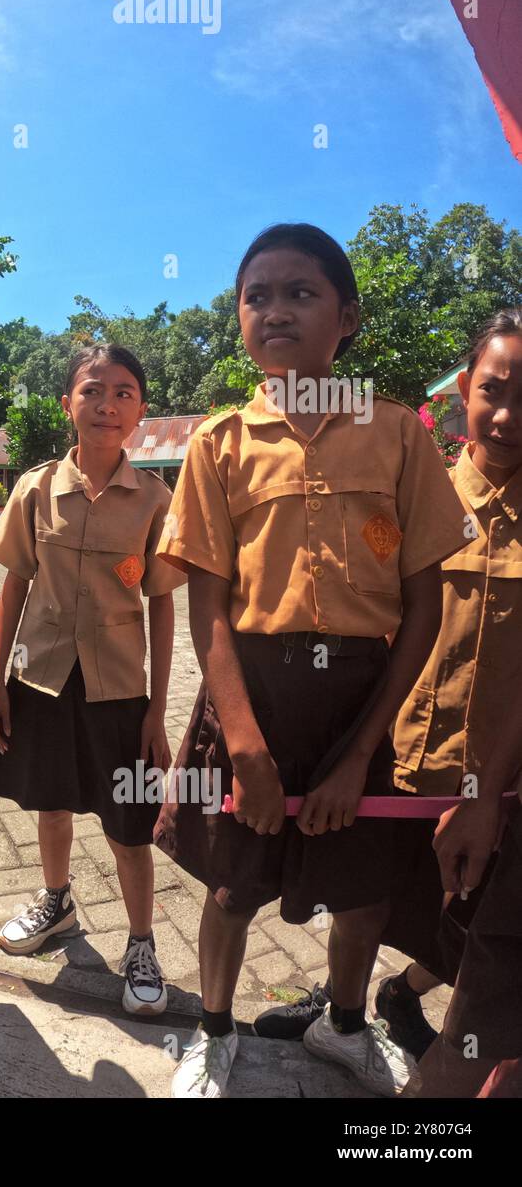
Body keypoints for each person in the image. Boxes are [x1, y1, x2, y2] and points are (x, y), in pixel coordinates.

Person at [154, 223, 466, 1098]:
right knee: (233, 884)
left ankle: (343, 1022)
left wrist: (363, 750)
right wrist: (244, 745)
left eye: (300, 292)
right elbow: (206, 602)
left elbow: (427, 600)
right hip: (251, 692)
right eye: (257, 295)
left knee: (363, 888)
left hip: (365, 703)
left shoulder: (400, 433)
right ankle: (213, 1030)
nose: (275, 310)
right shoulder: (218, 443)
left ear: (348, 318)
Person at [0, 344, 184, 1016]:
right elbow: (14, 583)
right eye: (92, 390)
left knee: (128, 825)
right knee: (52, 802)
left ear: (141, 412)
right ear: (68, 402)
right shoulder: (36, 488)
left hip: (119, 691)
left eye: (124, 392)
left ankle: (142, 941)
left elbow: (160, 600)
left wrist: (157, 708)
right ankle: (57, 902)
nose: (107, 404)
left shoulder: (155, 499)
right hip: (40, 681)